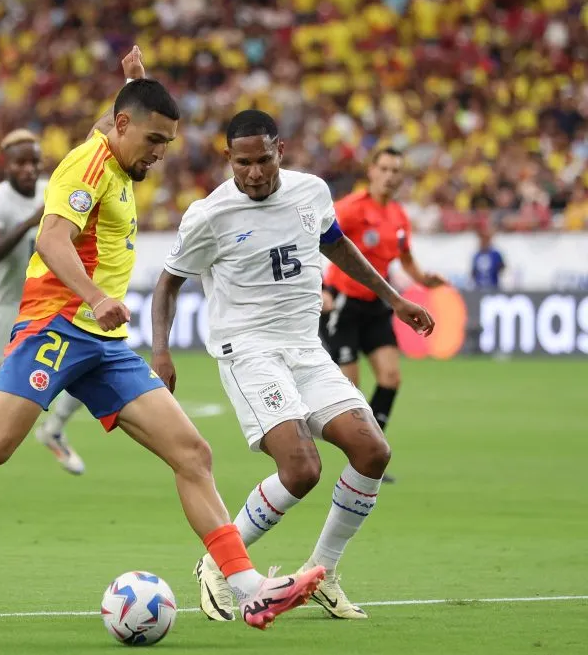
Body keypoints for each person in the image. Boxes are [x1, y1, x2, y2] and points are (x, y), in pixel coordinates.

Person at [0, 49, 325, 631]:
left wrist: (135, 86)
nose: (159, 154)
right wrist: (96, 297)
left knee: (193, 453)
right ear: (124, 128)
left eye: (166, 143)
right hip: (58, 325)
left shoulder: (118, 146)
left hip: (105, 342)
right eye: (153, 140)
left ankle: (247, 588)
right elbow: (51, 240)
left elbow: (112, 122)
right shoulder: (87, 169)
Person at [152, 110, 434, 622]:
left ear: (279, 151)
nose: (254, 174)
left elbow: (336, 245)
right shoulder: (209, 215)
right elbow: (168, 283)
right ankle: (221, 563)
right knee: (302, 469)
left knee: (373, 451)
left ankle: (323, 574)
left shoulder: (311, 192)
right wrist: (161, 350)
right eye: (243, 164)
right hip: (249, 351)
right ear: (227, 160)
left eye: (263, 161)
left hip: (305, 348)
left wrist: (394, 298)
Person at [0, 128, 86, 504]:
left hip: (48, 304)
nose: (30, 169)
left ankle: (53, 431)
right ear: (5, 164)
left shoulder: (53, 189)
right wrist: (31, 222)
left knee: (88, 368)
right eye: (21, 162)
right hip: (4, 308)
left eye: (35, 161)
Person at [320, 147, 446, 483]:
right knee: (351, 390)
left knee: (390, 378)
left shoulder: (398, 216)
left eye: (396, 171)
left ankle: (370, 453)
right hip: (343, 304)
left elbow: (404, 257)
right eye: (385, 169)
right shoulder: (350, 208)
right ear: (371, 171)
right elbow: (316, 241)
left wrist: (422, 279)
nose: (390, 176)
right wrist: (322, 288)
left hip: (376, 305)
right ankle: (357, 451)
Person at [471, 225, 504, 290]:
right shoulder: (477, 255)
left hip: (493, 287)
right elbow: (473, 272)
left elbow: (502, 267)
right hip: (479, 288)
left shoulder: (495, 254)